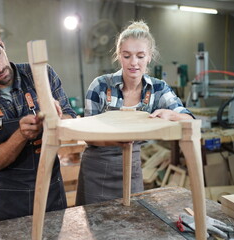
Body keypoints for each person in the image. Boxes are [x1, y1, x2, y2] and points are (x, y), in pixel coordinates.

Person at [0, 20, 76, 222]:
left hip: (52, 193)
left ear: (1, 42)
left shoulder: (41, 74)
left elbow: (72, 119)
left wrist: (58, 118)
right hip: (9, 202)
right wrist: (21, 135)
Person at [76, 20, 194, 206]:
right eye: (127, 56)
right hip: (97, 169)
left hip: (132, 166)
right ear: (118, 56)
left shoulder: (158, 88)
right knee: (96, 226)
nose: (133, 63)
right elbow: (89, 137)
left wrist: (172, 115)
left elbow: (189, 119)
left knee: (132, 220)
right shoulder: (100, 85)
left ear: (149, 57)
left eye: (140, 56)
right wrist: (119, 140)